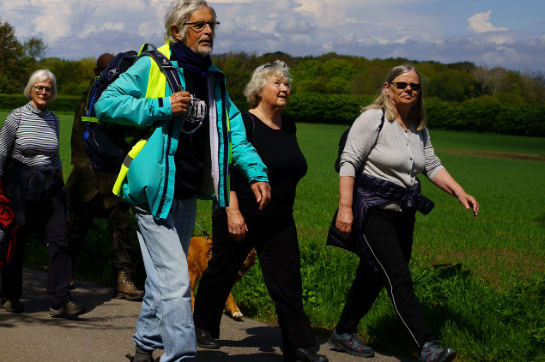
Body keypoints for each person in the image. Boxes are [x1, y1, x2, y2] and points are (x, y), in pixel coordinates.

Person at [95, 0, 271, 362]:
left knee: (164, 280)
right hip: (153, 191)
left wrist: (255, 171)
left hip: (188, 191)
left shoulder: (212, 79)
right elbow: (106, 103)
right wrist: (159, 107)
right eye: (200, 25)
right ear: (177, 31)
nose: (209, 31)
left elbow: (233, 131)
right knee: (176, 281)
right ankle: (181, 356)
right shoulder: (152, 66)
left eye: (212, 24)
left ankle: (145, 346)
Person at [328, 65, 479, 362]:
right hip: (373, 211)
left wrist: (460, 192)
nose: (409, 89)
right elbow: (348, 162)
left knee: (372, 274)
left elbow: (432, 165)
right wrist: (345, 209)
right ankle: (427, 345)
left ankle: (343, 333)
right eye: (402, 84)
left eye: (415, 86)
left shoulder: (417, 125)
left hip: (403, 213)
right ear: (388, 88)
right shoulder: (373, 119)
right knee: (399, 277)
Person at [192, 61, 327, 362]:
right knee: (222, 272)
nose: (284, 89)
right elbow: (223, 170)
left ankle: (299, 347)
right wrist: (232, 211)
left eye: (287, 84)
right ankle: (202, 325)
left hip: (279, 218)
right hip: (241, 212)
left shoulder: (288, 125)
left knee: (288, 282)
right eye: (277, 83)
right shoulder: (244, 122)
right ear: (258, 89)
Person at [0, 69, 85, 318]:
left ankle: (60, 300)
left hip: (50, 187)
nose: (44, 92)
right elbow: (1, 153)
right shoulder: (17, 117)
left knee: (60, 241)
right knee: (16, 241)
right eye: (39, 88)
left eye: (48, 88)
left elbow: (55, 156)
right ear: (31, 89)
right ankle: (10, 296)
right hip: (20, 187)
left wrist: (62, 184)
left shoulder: (54, 119)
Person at [66, 52, 145, 301]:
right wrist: (87, 183)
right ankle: (63, 271)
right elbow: (78, 142)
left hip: (116, 177)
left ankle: (123, 278)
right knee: (77, 228)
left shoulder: (122, 99)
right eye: (103, 70)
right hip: (87, 177)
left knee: (121, 229)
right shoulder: (87, 99)